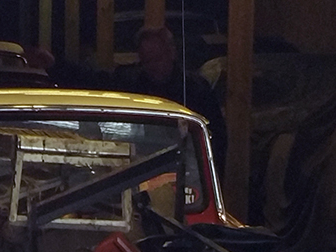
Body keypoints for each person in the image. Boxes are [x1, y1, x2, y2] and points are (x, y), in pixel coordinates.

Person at [26, 26, 227, 170]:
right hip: (140, 169)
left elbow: (216, 139)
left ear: (172, 53)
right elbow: (93, 82)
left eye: (157, 59)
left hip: (185, 172)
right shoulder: (133, 83)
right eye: (147, 61)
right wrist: (55, 66)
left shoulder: (195, 90)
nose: (153, 66)